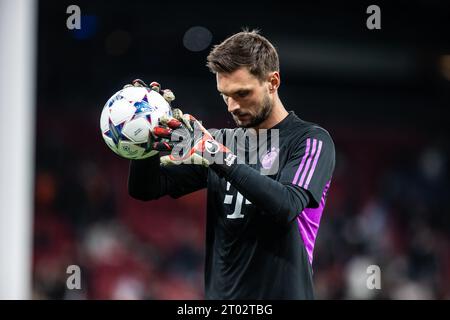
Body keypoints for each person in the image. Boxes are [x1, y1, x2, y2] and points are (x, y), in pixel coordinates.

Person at [128, 30, 335, 299]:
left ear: (273, 81)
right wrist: (141, 141)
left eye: (242, 93)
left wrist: (213, 152)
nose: (232, 106)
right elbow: (146, 189)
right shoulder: (222, 142)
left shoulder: (310, 140)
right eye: (224, 95)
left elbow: (286, 205)